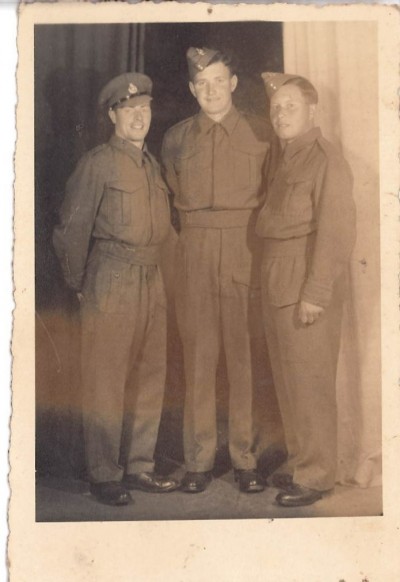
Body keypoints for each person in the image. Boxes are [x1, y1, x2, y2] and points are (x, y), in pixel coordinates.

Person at [53, 72, 179, 506]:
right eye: (129, 110)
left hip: (152, 277)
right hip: (113, 276)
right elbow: (70, 231)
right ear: (112, 114)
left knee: (150, 375)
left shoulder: (151, 164)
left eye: (144, 109)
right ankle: (105, 473)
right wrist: (80, 284)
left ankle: (140, 466)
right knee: (106, 379)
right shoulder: (97, 163)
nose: (139, 117)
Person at [161, 47, 270, 493]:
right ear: (191, 89)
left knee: (243, 359)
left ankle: (245, 460)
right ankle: (199, 462)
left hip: (244, 247)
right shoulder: (176, 138)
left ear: (233, 84)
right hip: (196, 250)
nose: (210, 90)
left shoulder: (261, 133)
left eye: (218, 80)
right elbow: (170, 189)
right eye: (201, 84)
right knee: (199, 359)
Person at [256, 72, 356, 507]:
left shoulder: (325, 159)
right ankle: (302, 463)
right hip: (278, 278)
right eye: (276, 108)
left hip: (304, 280)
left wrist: (316, 292)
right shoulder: (286, 157)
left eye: (290, 107)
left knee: (310, 383)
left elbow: (336, 231)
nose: (281, 114)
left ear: (312, 110)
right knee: (290, 381)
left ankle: (316, 476)